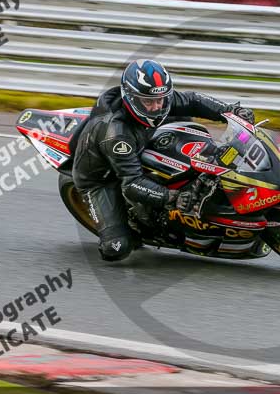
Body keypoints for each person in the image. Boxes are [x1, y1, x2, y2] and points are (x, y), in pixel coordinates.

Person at [72, 59, 255, 261]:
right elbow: (131, 183)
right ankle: (136, 225)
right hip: (102, 178)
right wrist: (172, 197)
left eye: (161, 99)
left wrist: (231, 112)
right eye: (148, 102)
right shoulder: (116, 134)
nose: (156, 107)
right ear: (130, 98)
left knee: (199, 150)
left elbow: (192, 100)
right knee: (117, 249)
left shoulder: (155, 100)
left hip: (140, 141)